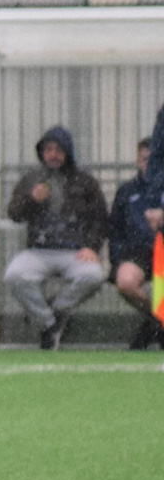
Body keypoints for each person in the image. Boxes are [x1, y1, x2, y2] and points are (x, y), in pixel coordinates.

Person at [1, 126, 110, 349]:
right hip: (38, 251)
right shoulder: (31, 180)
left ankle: (58, 309)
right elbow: (13, 214)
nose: (53, 154)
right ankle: (49, 322)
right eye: (49, 149)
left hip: (75, 251)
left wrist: (91, 247)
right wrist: (31, 199)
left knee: (94, 276)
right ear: (41, 152)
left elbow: (100, 219)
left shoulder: (85, 182)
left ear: (68, 152)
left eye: (59, 149)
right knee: (14, 275)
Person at [109, 139, 161, 350]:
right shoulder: (127, 191)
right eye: (145, 159)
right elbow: (115, 230)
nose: (149, 164)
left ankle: (153, 326)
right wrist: (117, 258)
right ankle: (158, 322)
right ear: (139, 162)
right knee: (126, 283)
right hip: (138, 251)